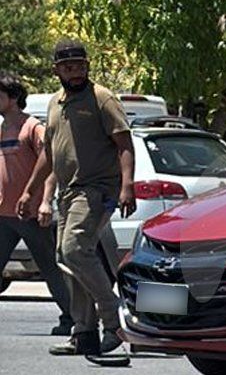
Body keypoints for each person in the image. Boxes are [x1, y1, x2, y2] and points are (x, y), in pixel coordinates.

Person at [18, 41, 137, 357]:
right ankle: (84, 333)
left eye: (81, 66)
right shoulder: (56, 103)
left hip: (97, 189)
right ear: (56, 69)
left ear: (87, 66)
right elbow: (49, 154)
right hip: (68, 192)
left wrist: (128, 186)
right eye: (69, 67)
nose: (75, 73)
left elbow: (124, 143)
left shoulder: (102, 99)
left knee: (75, 250)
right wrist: (30, 190)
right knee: (66, 259)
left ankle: (113, 319)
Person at [0, 72, 75, 335]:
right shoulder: (1, 129)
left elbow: (50, 164)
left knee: (50, 269)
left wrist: (45, 201)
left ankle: (73, 319)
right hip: (4, 215)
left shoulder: (32, 127)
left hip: (29, 214)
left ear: (13, 98)